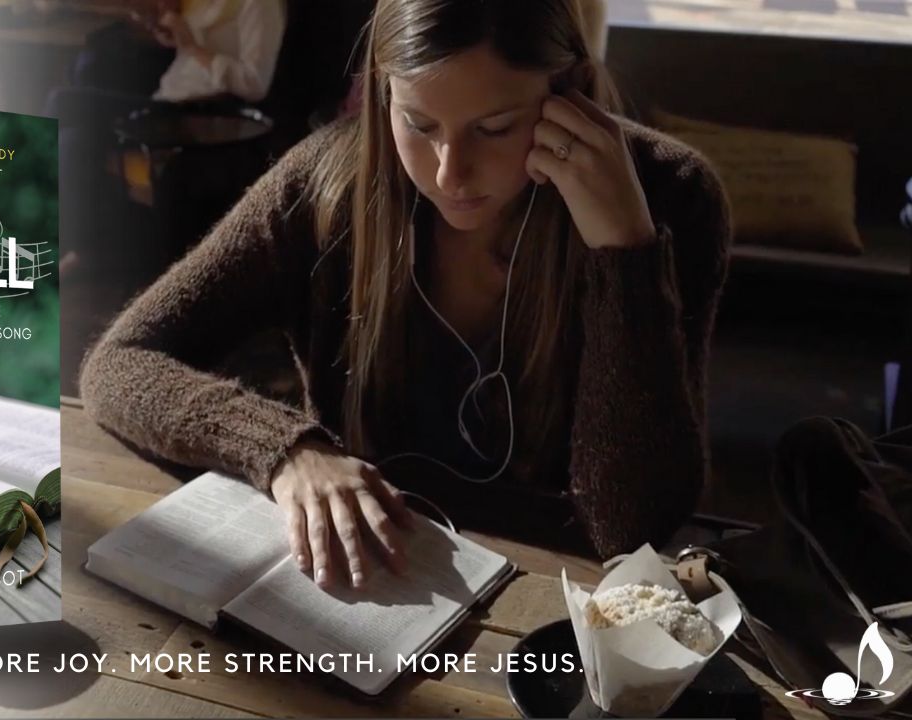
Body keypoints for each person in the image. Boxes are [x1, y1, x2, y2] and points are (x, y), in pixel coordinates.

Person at [79, 0, 732, 590]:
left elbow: (632, 527)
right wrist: (286, 450)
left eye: (496, 128)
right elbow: (118, 364)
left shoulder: (671, 195)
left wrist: (623, 253)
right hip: (371, 577)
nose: (451, 173)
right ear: (381, 94)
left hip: (559, 603)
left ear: (571, 95)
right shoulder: (324, 185)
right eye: (418, 123)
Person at [50, 0, 286, 277]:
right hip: (167, 100)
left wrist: (192, 47)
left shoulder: (260, 6)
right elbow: (188, 57)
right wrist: (172, 36)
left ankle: (85, 251)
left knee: (62, 103)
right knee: (72, 137)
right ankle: (81, 247)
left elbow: (255, 84)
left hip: (206, 110)